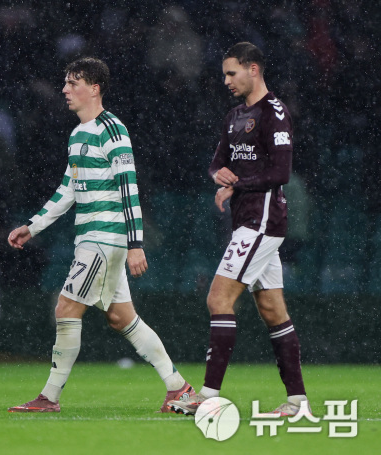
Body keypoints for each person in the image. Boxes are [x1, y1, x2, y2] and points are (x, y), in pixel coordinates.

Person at [7, 57, 193, 413]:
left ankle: (49, 397)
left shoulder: (112, 129)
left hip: (105, 238)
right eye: (65, 82)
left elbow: (129, 188)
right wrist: (33, 225)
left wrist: (135, 244)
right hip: (92, 239)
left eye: (73, 83)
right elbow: (68, 189)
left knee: (66, 308)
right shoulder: (78, 134)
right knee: (122, 318)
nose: (65, 89)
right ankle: (179, 389)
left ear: (94, 89)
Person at [168, 42, 309, 417]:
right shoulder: (234, 116)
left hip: (262, 221)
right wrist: (220, 176)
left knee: (218, 299)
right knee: (272, 309)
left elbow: (280, 173)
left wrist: (237, 185)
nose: (226, 80)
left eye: (232, 73)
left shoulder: (274, 113)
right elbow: (216, 163)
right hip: (246, 221)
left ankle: (207, 396)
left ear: (253, 69)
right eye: (224, 74)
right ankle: (297, 402)